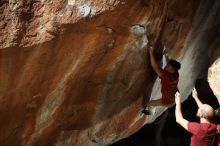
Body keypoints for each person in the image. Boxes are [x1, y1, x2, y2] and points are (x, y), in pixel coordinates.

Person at [142, 46, 181, 115]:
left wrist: (151, 53)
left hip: (168, 101)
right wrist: (166, 55)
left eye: (168, 66)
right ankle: (153, 109)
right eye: (168, 65)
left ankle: (151, 112)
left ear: (172, 70)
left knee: (149, 104)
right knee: (154, 103)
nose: (166, 66)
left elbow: (155, 67)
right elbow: (169, 63)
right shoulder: (175, 73)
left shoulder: (167, 77)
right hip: (174, 96)